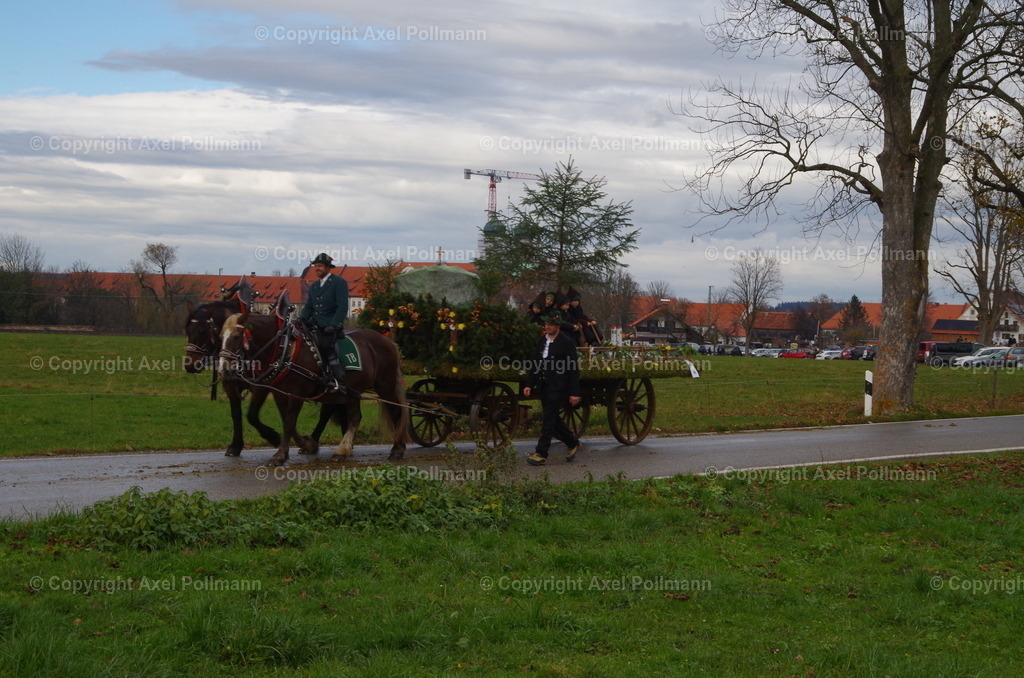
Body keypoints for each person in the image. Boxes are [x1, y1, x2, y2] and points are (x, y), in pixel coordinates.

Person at [523, 310, 583, 465]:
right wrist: (530, 384)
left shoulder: (566, 342)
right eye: (546, 323)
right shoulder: (542, 341)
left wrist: (574, 393)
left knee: (548, 419)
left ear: (558, 325)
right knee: (553, 419)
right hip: (545, 385)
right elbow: (536, 363)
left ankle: (541, 453)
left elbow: (573, 369)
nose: (547, 326)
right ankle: (572, 442)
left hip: (559, 386)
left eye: (550, 324)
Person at [300, 253, 351, 395]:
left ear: (328, 268)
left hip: (330, 326)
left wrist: (334, 324)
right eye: (315, 266)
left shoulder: (338, 282)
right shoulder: (314, 286)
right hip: (315, 325)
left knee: (327, 347)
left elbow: (342, 307)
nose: (317, 269)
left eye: (320, 266)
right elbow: (309, 306)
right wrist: (301, 318)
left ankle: (337, 380)